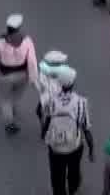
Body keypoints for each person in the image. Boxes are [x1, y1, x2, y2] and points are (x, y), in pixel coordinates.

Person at [39, 65, 93, 194]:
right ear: (73, 83)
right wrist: (92, 148)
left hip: (56, 147)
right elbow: (86, 128)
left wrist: (43, 134)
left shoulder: (51, 101)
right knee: (74, 171)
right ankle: (73, 188)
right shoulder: (81, 102)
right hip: (74, 146)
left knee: (57, 175)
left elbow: (47, 120)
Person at [0, 14, 38, 135]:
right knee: (16, 95)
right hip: (22, 75)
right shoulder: (27, 41)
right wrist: (34, 78)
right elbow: (32, 61)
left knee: (5, 100)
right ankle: (12, 108)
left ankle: (9, 123)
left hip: (5, 75)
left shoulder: (0, 41)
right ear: (19, 27)